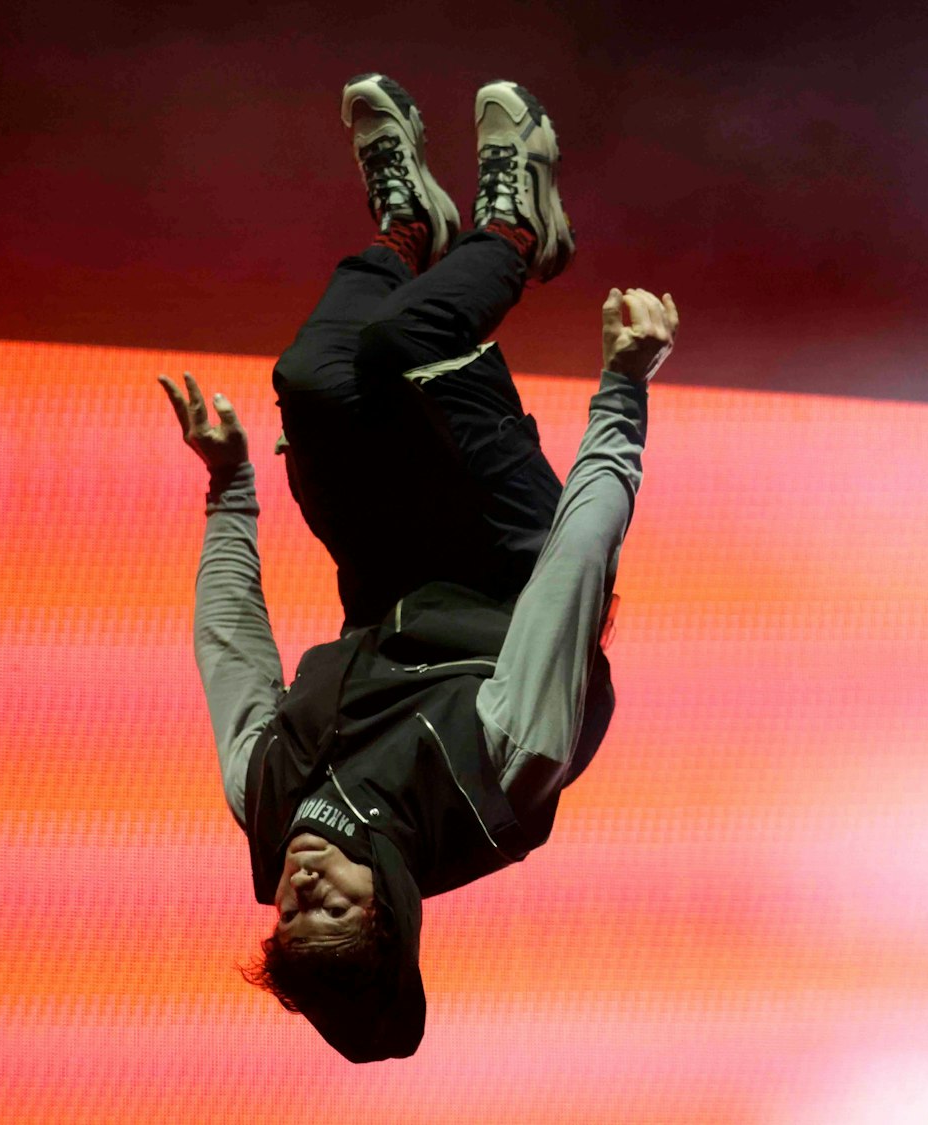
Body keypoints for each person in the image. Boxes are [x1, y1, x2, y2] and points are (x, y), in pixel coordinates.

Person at [156, 73, 678, 1062]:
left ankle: (405, 222)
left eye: (288, 915)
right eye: (334, 910)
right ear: (391, 906)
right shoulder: (495, 783)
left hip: (389, 566)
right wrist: (622, 391)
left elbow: (229, 650)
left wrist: (227, 487)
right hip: (511, 557)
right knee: (408, 341)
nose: (301, 888)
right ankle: (515, 222)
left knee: (309, 381)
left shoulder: (264, 801)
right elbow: (572, 572)